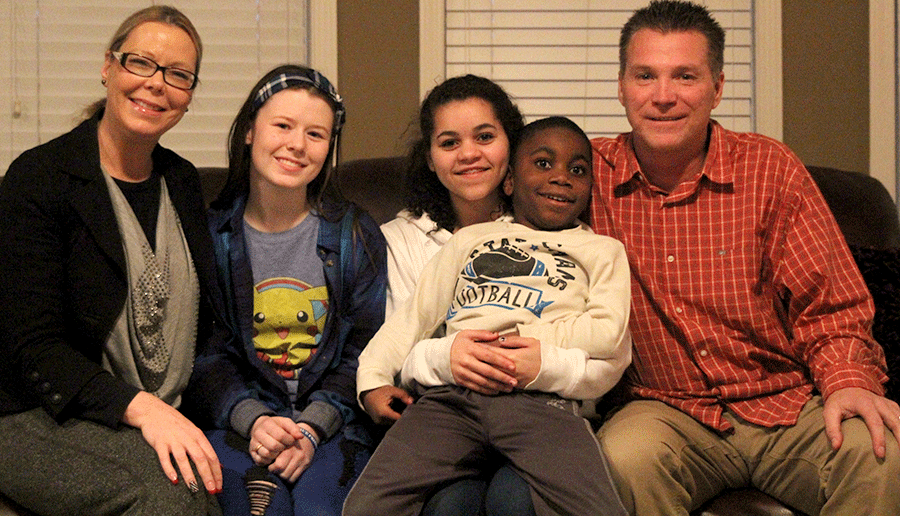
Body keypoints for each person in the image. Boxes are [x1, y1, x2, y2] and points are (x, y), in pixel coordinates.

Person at [589, 0, 900, 515]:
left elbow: (831, 304)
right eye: (645, 76)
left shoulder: (769, 168)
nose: (663, 96)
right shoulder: (584, 174)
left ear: (717, 88)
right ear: (621, 86)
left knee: (879, 455)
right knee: (621, 459)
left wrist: (849, 382)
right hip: (664, 409)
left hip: (785, 402)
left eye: (685, 76)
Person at [343, 116, 632, 516]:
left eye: (578, 170)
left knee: (599, 508)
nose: (562, 177)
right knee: (366, 505)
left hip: (542, 405)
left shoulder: (602, 250)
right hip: (451, 401)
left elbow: (607, 332)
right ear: (510, 181)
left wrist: (530, 340)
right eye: (544, 164)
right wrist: (372, 379)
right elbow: (413, 318)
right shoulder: (470, 240)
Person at [0, 5, 223, 515]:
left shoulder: (182, 182)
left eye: (178, 75)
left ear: (188, 96)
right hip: (31, 411)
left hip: (143, 409)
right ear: (109, 67)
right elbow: (32, 347)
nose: (156, 84)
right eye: (140, 63)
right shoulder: (40, 179)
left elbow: (206, 325)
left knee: (212, 484)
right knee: (171, 494)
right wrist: (144, 410)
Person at [186, 65, 387, 516]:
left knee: (320, 508)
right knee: (264, 510)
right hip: (238, 424)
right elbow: (202, 353)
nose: (297, 144)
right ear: (249, 132)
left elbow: (367, 349)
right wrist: (253, 419)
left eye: (316, 134)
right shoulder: (211, 236)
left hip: (335, 427)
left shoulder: (354, 234)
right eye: (282, 126)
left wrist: (313, 427)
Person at [381, 74, 536, 515]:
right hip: (443, 424)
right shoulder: (400, 240)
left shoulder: (543, 230)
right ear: (430, 158)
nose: (469, 154)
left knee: (515, 499)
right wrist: (445, 356)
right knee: (451, 506)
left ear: (512, 144)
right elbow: (395, 351)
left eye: (485, 137)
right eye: (449, 142)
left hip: (530, 417)